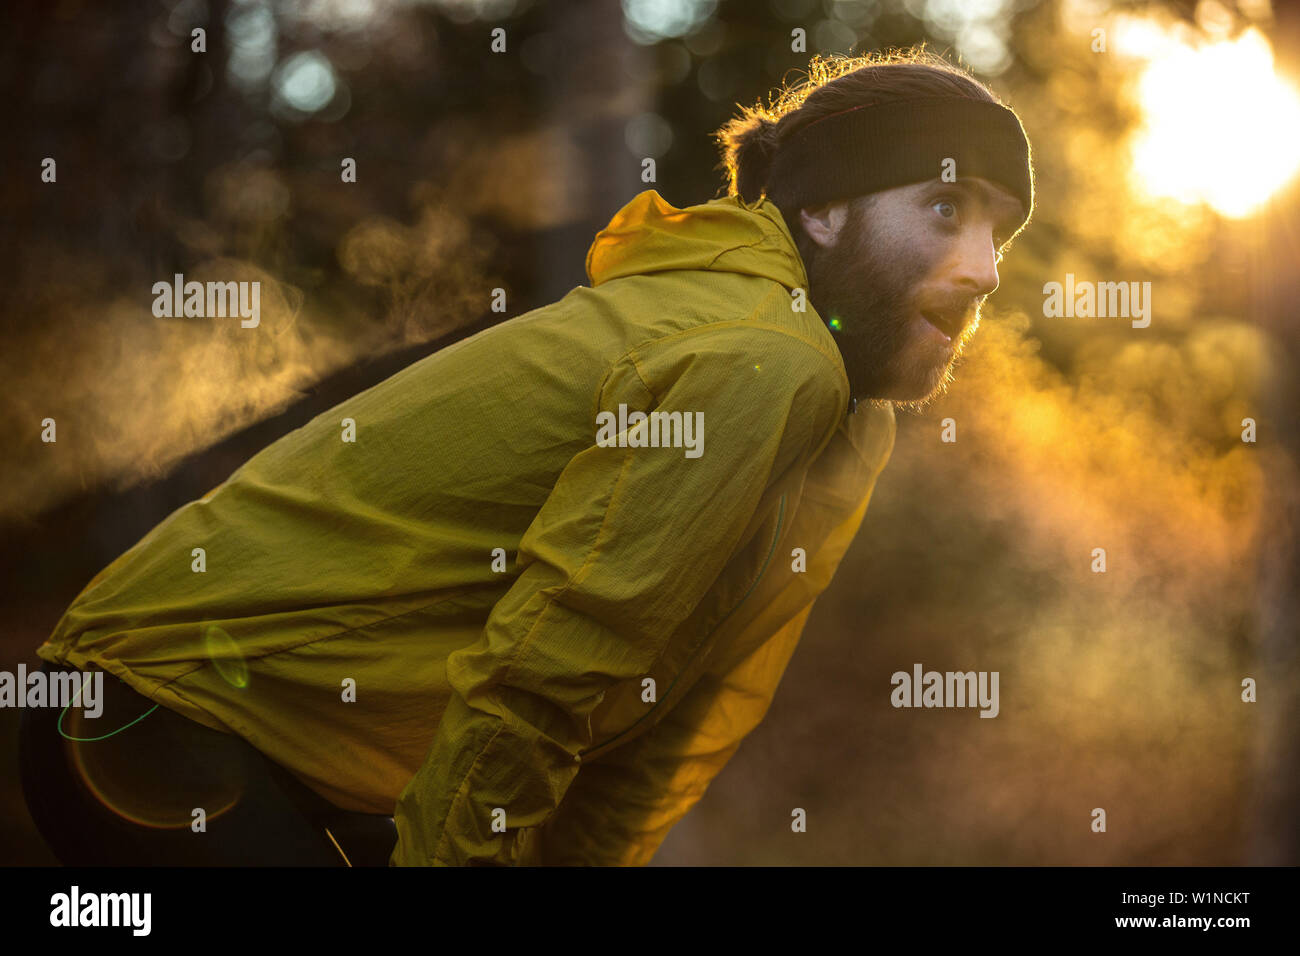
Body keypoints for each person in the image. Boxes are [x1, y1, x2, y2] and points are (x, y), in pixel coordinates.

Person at [21, 49, 1034, 866]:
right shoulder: (760, 356)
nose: (984, 270)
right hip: (150, 714)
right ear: (821, 208)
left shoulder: (846, 415)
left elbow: (675, 715)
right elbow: (546, 666)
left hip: (291, 749)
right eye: (947, 210)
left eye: (999, 228)